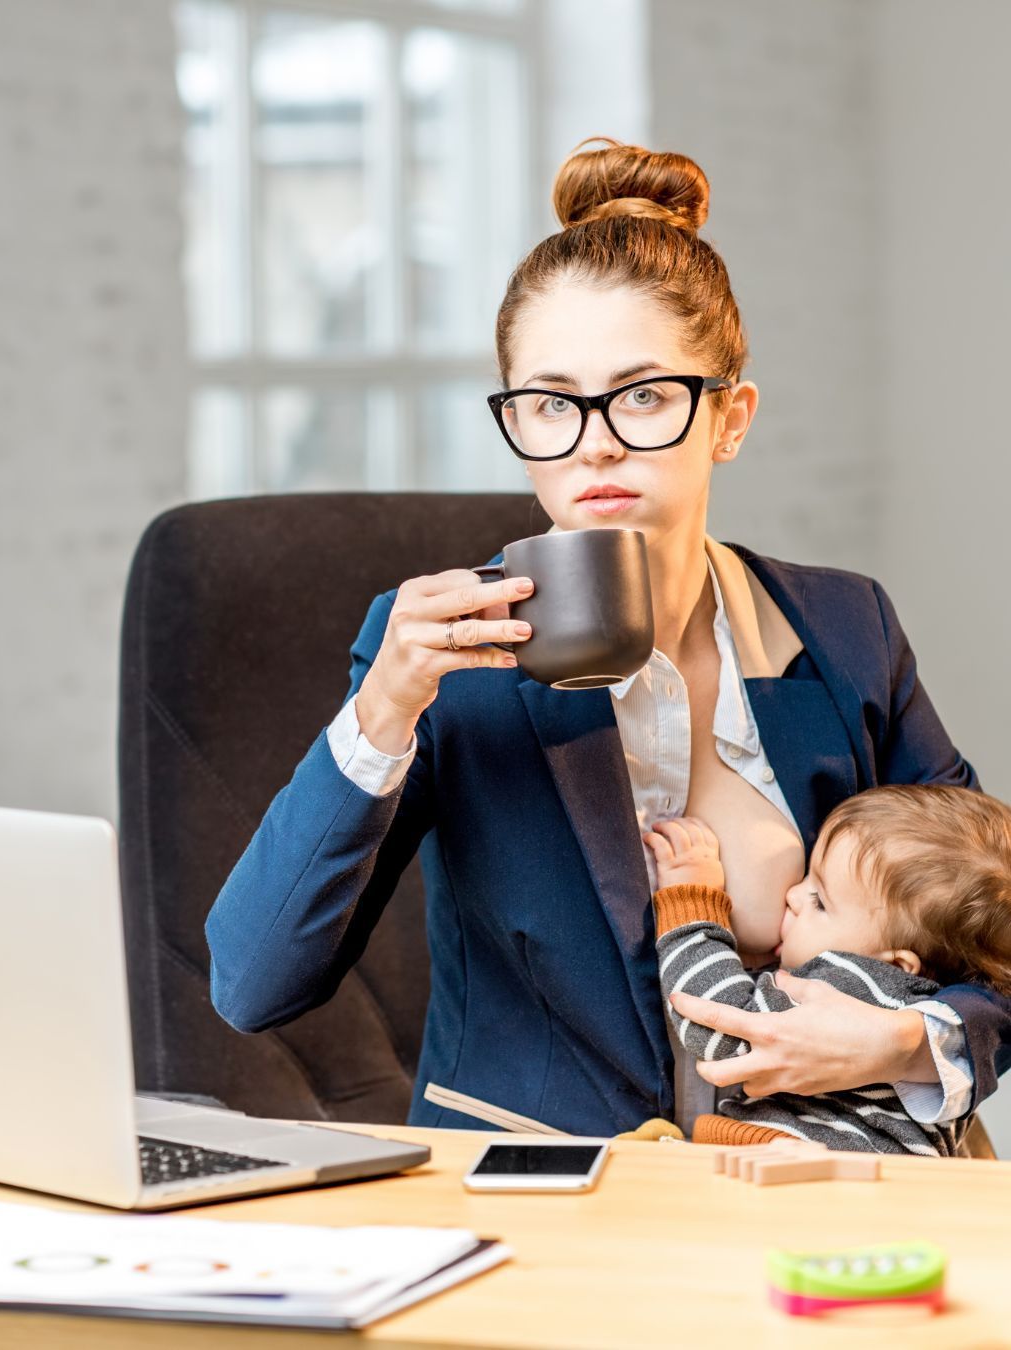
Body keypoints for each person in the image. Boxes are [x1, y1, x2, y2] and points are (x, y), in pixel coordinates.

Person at [205, 138, 1011, 1137]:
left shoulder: (843, 632)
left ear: (729, 418)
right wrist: (385, 711)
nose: (594, 441)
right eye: (549, 404)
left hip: (816, 1185)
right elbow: (252, 982)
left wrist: (902, 1043)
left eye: (641, 396)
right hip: (546, 1189)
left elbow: (996, 930)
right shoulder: (443, 657)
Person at [647, 785, 1011, 1155]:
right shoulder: (930, 1002)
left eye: (819, 900)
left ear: (896, 964)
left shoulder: (855, 981)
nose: (792, 896)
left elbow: (721, 1027)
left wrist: (690, 902)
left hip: (801, 1171)